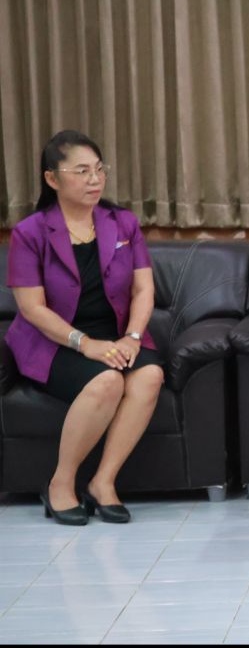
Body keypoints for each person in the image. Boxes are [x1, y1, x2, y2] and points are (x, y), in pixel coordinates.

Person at [7, 130, 163, 525]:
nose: (95, 179)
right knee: (107, 381)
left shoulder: (122, 223)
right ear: (52, 178)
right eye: (81, 171)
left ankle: (103, 482)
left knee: (149, 376)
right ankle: (60, 484)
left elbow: (143, 288)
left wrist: (132, 337)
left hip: (116, 334)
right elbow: (31, 308)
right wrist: (85, 343)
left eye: (99, 169)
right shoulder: (30, 233)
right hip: (54, 342)